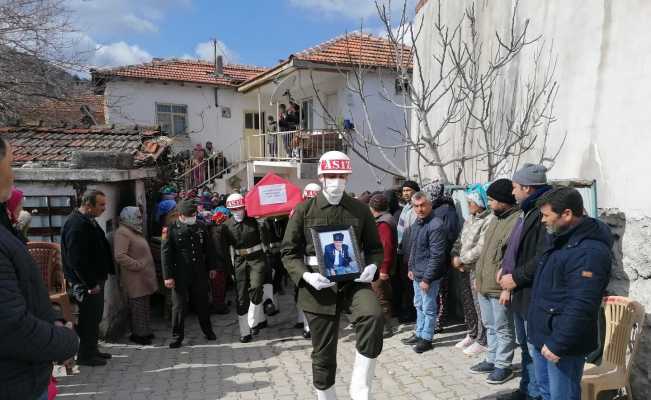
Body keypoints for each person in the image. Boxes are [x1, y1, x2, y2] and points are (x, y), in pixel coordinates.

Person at [282, 150, 384, 400]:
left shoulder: (360, 210)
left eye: (341, 175)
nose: (336, 180)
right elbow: (288, 252)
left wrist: (372, 266)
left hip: (353, 281)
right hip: (318, 286)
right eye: (330, 175)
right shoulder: (304, 210)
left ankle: (360, 389)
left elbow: (373, 247)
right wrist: (306, 276)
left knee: (373, 315)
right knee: (324, 353)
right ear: (321, 176)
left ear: (348, 177)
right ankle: (326, 397)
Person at [0, 137, 79, 400]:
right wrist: (64, 340)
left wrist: (51, 323)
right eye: (11, 163)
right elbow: (11, 327)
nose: (14, 174)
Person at [528, 187, 612, 400]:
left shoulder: (589, 251)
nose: (542, 221)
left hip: (563, 342)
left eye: (547, 216)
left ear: (566, 214)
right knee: (546, 393)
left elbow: (583, 303)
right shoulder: (561, 238)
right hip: (544, 334)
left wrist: (559, 343)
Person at [497, 163, 553, 400]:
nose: (512, 192)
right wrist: (505, 269)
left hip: (532, 293)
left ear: (528, 188)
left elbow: (543, 256)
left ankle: (540, 394)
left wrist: (515, 278)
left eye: (515, 187)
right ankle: (528, 390)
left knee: (535, 348)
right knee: (526, 346)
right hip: (520, 291)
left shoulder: (544, 212)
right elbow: (517, 248)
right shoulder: (527, 209)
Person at [469, 179, 520, 385]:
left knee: (503, 328)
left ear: (504, 200)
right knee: (489, 325)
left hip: (500, 287)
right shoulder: (495, 218)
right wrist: (478, 277)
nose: (488, 203)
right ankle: (491, 359)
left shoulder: (516, 221)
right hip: (484, 283)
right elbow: (485, 251)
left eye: (492, 200)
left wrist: (507, 288)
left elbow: (513, 257)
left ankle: (503, 365)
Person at [61, 189, 115, 366]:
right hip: (86, 282)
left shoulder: (88, 220)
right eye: (100, 205)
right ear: (88, 205)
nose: (104, 208)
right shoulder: (76, 224)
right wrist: (90, 283)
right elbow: (76, 259)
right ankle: (85, 355)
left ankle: (92, 349)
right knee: (88, 318)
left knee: (94, 318)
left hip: (95, 278)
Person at [161, 199, 218, 348]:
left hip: (199, 271)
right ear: (180, 215)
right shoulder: (170, 229)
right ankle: (177, 336)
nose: (193, 217)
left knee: (202, 303)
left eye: (194, 215)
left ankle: (208, 331)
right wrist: (168, 276)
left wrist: (212, 267)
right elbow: (165, 254)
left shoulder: (200, 226)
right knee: (179, 306)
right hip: (180, 273)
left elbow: (209, 248)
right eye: (189, 215)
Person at [401, 190, 449, 354]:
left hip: (429, 276)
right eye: (416, 206)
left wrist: (427, 279)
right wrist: (410, 268)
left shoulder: (435, 225)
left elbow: (437, 256)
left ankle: (427, 338)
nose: (420, 209)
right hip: (417, 273)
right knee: (419, 305)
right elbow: (414, 248)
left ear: (429, 204)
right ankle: (419, 332)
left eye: (423, 205)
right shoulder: (417, 222)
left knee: (428, 308)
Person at [451, 184, 492, 356]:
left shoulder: (488, 220)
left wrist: (463, 259)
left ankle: (483, 340)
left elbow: (480, 248)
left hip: (476, 267)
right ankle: (473, 333)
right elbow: (460, 239)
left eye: (470, 202)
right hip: (463, 267)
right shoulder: (470, 218)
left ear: (479, 202)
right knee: (468, 304)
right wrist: (455, 256)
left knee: (479, 305)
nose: (468, 206)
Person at [221, 193, 268, 343]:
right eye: (234, 208)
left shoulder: (254, 220)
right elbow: (224, 251)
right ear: (229, 209)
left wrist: (264, 224)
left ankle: (253, 321)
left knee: (256, 288)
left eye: (240, 207)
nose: (238, 211)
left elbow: (266, 240)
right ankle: (244, 332)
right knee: (241, 297)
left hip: (257, 259)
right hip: (240, 261)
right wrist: (230, 271)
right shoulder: (226, 226)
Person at [113, 206, 158, 345]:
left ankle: (145, 331)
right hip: (135, 277)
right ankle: (139, 335)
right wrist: (137, 265)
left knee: (144, 305)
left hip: (143, 276)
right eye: (137, 216)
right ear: (129, 217)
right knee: (137, 306)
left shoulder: (133, 230)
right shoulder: (123, 232)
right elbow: (120, 255)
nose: (140, 219)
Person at [424, 182, 461, 333]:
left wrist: (442, 252)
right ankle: (432, 321)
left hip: (442, 257)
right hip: (431, 256)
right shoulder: (432, 208)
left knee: (441, 291)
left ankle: (439, 321)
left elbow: (451, 234)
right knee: (433, 291)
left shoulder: (447, 210)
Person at [369, 192, 397, 338]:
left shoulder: (383, 222)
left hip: (381, 268)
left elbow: (386, 247)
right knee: (380, 295)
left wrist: (384, 269)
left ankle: (386, 328)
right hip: (380, 266)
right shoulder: (386, 218)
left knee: (381, 297)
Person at [396, 180, 420, 322]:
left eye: (408, 190)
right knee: (406, 285)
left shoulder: (415, 208)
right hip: (402, 250)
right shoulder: (406, 207)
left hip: (411, 252)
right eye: (404, 190)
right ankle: (410, 311)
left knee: (412, 285)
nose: (405, 193)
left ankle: (414, 314)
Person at [207, 208, 231, 315]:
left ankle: (219, 304)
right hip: (218, 264)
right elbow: (219, 250)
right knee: (218, 286)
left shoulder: (214, 229)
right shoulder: (218, 231)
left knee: (219, 286)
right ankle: (219, 306)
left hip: (217, 263)